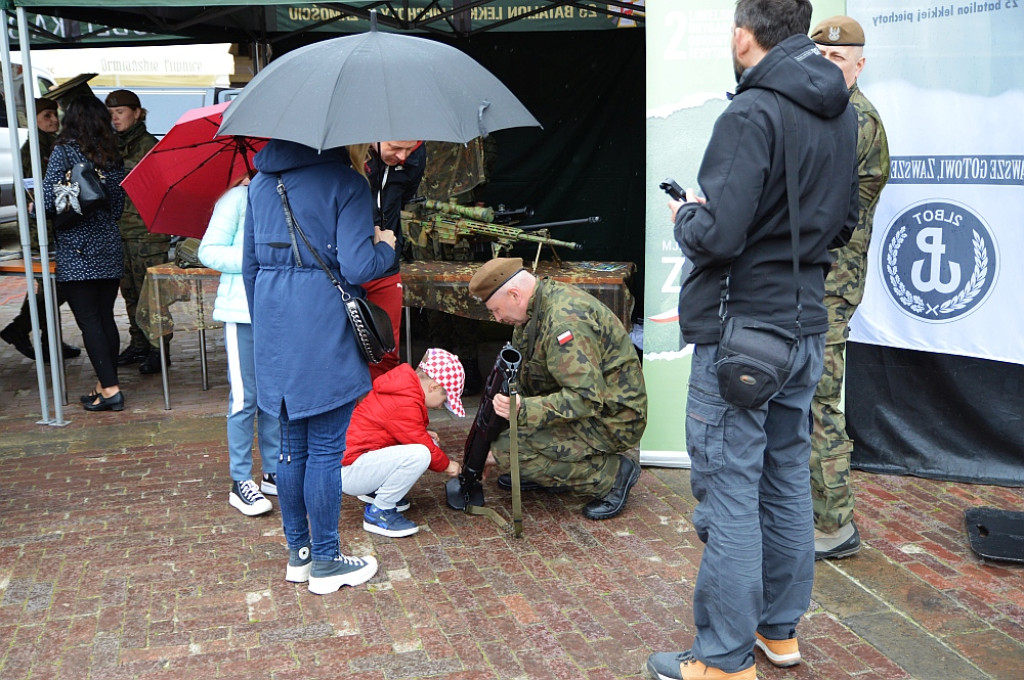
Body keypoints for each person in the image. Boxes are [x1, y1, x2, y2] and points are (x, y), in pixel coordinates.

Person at [644, 0, 859, 677]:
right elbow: (845, 221)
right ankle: (778, 633)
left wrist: (687, 219)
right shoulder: (843, 109)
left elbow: (720, 236)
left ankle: (723, 658)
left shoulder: (751, 113)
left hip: (744, 339)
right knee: (787, 481)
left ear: (744, 36)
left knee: (733, 494)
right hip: (804, 330)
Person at [242, 138, 396, 595]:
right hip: (323, 320)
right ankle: (328, 561)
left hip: (274, 320)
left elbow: (249, 267)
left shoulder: (260, 183)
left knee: (290, 447)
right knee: (327, 449)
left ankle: (300, 554)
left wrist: (270, 320)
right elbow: (359, 264)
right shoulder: (347, 182)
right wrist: (386, 245)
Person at [468, 257, 648, 521]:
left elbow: (586, 399)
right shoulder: (534, 310)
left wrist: (524, 409)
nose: (497, 318)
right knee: (505, 435)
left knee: (507, 450)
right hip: (591, 406)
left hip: (613, 418)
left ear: (515, 294)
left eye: (496, 310)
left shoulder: (564, 322)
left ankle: (612, 475)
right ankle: (551, 474)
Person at [809, 15, 890, 562]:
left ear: (860, 65)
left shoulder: (855, 121)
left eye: (838, 59)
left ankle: (835, 523)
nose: (827, 67)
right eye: (820, 58)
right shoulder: (826, 115)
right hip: (811, 281)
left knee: (817, 402)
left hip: (830, 287)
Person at [199, 176, 281, 518]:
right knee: (246, 397)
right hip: (241, 310)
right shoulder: (236, 198)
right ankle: (240, 480)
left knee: (276, 395)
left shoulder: (284, 194)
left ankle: (274, 470)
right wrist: (253, 255)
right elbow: (208, 251)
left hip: (279, 308)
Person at [41, 95, 127, 412]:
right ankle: (104, 384)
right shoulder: (112, 155)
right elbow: (117, 206)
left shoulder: (63, 151)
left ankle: (112, 390)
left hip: (76, 247)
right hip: (108, 243)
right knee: (106, 318)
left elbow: (51, 202)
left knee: (89, 321)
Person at [341, 347, 465, 538]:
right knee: (422, 453)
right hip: (350, 471)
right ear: (434, 386)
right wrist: (447, 465)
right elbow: (420, 443)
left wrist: (423, 434)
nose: (441, 406)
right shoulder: (405, 401)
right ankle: (379, 512)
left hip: (355, 461)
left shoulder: (403, 389)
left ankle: (375, 491)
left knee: (426, 445)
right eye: (444, 399)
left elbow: (399, 429)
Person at [1, 96, 81, 362]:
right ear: (34, 119)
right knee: (56, 287)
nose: (54, 120)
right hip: (42, 231)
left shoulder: (53, 145)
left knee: (50, 287)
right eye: (46, 116)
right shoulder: (32, 149)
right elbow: (28, 191)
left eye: (54, 114)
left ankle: (46, 342)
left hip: (55, 226)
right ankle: (19, 329)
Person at [106, 89, 169, 375]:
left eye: (120, 112)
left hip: (147, 234)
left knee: (152, 295)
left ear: (137, 113)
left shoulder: (149, 146)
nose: (114, 118)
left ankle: (160, 349)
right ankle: (139, 343)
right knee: (129, 293)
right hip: (120, 232)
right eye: (110, 114)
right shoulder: (111, 147)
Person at [362, 140, 426, 380]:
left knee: (386, 351)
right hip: (348, 262)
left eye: (409, 149)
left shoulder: (416, 154)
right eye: (396, 147)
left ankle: (379, 413)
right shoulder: (345, 151)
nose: (402, 157)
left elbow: (406, 194)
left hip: (387, 265)